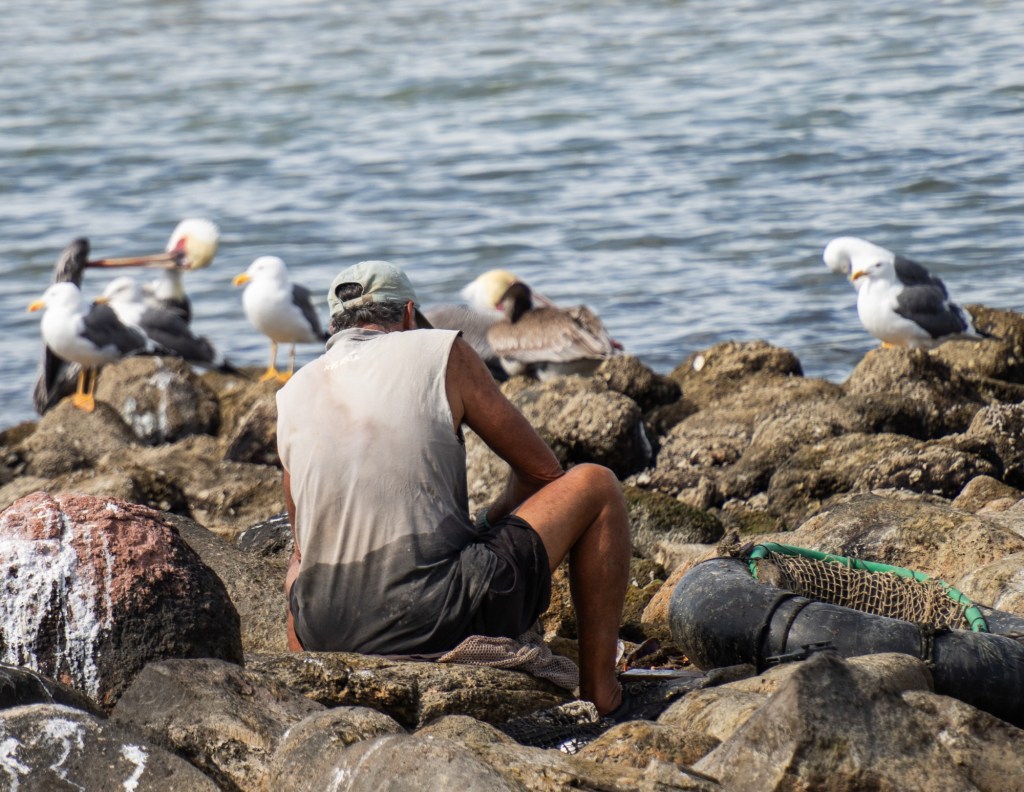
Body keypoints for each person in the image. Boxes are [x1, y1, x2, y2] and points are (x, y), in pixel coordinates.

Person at [276, 260, 630, 716]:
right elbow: (541, 474)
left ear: (332, 327)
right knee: (596, 484)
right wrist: (488, 521)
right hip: (433, 615)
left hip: (324, 630)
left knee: (299, 564)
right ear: (409, 314)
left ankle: (309, 690)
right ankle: (600, 690)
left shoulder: (291, 393)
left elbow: (303, 548)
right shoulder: (443, 350)